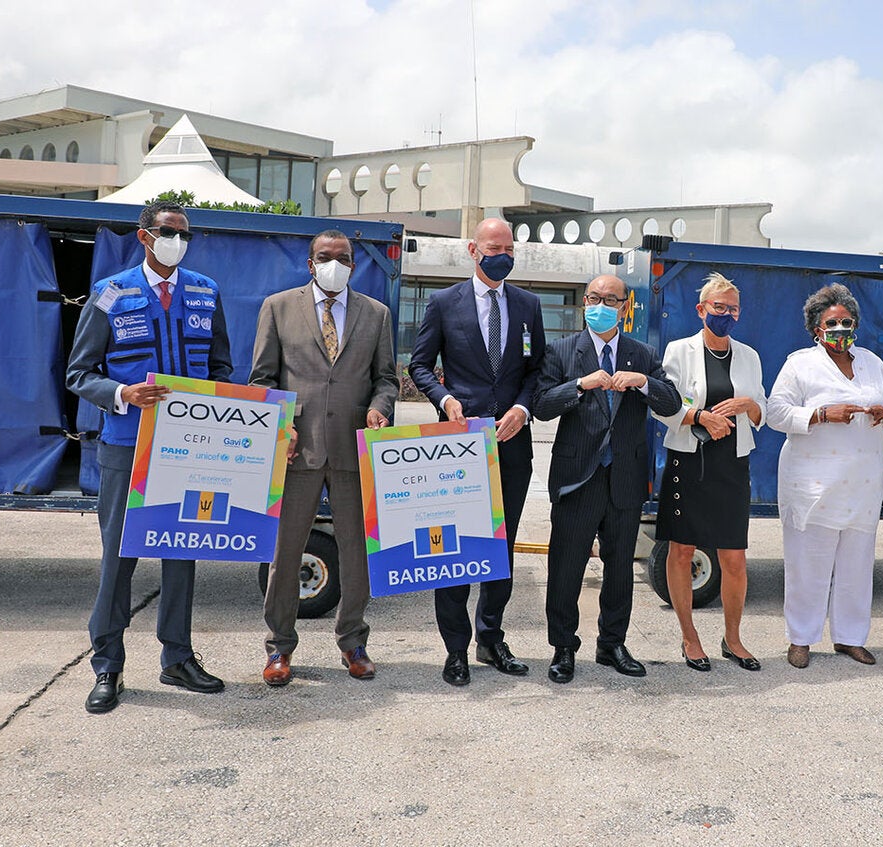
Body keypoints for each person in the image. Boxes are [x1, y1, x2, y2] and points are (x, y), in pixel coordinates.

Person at [67, 200, 232, 713]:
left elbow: (222, 369)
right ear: (144, 236)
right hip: (127, 447)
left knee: (181, 552)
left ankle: (177, 658)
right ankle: (108, 666)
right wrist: (122, 394)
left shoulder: (206, 291)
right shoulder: (111, 293)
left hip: (188, 452)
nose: (177, 241)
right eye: (168, 232)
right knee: (119, 559)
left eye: (184, 234)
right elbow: (79, 374)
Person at [250, 229, 398, 686]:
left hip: (354, 449)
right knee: (286, 553)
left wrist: (380, 408)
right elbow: (261, 380)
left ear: (353, 265)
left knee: (357, 552)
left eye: (344, 257)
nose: (334, 263)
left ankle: (353, 642)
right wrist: (282, 426)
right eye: (325, 256)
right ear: (310, 263)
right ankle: (279, 648)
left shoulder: (376, 314)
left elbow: (387, 379)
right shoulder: (278, 307)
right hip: (297, 449)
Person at [409, 218, 546, 686]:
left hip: (511, 445)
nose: (502, 254)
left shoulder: (527, 304)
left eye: (509, 247)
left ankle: (491, 639)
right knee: (455, 548)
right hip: (458, 446)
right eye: (494, 247)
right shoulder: (444, 302)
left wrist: (523, 409)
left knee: (500, 551)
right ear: (473, 250)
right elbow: (420, 364)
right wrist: (445, 400)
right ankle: (456, 649)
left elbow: (536, 370)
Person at [534, 274, 681, 683]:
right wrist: (580, 385)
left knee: (619, 568)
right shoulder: (563, 351)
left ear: (625, 306)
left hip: (625, 479)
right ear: (585, 302)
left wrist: (645, 382)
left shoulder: (642, 353)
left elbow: (671, 402)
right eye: (595, 298)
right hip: (577, 477)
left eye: (611, 299)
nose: (602, 305)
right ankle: (563, 647)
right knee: (566, 568)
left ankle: (612, 643)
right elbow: (541, 406)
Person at [766, 283, 883, 669]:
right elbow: (775, 412)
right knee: (807, 566)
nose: (841, 328)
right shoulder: (799, 364)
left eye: (847, 322)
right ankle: (801, 639)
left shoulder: (871, 362)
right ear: (817, 328)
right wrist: (821, 414)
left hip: (861, 483)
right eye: (833, 323)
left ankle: (849, 638)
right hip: (813, 486)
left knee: (856, 568)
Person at [655, 273, 767, 672]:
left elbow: (763, 412)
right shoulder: (678, 351)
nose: (726, 314)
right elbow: (661, 404)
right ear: (701, 309)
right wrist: (700, 416)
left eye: (732, 308)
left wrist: (747, 407)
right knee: (682, 550)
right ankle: (690, 637)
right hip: (689, 460)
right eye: (718, 307)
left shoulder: (749, 355)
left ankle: (733, 638)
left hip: (732, 464)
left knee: (734, 557)